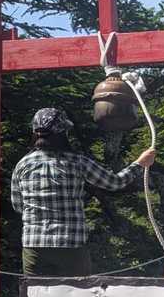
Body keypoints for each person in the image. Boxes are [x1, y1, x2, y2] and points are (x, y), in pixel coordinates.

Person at [10, 107, 155, 276]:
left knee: (36, 292)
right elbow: (115, 183)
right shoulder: (77, 162)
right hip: (71, 244)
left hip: (34, 245)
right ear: (63, 133)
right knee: (76, 291)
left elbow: (18, 206)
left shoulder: (22, 165)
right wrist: (139, 163)